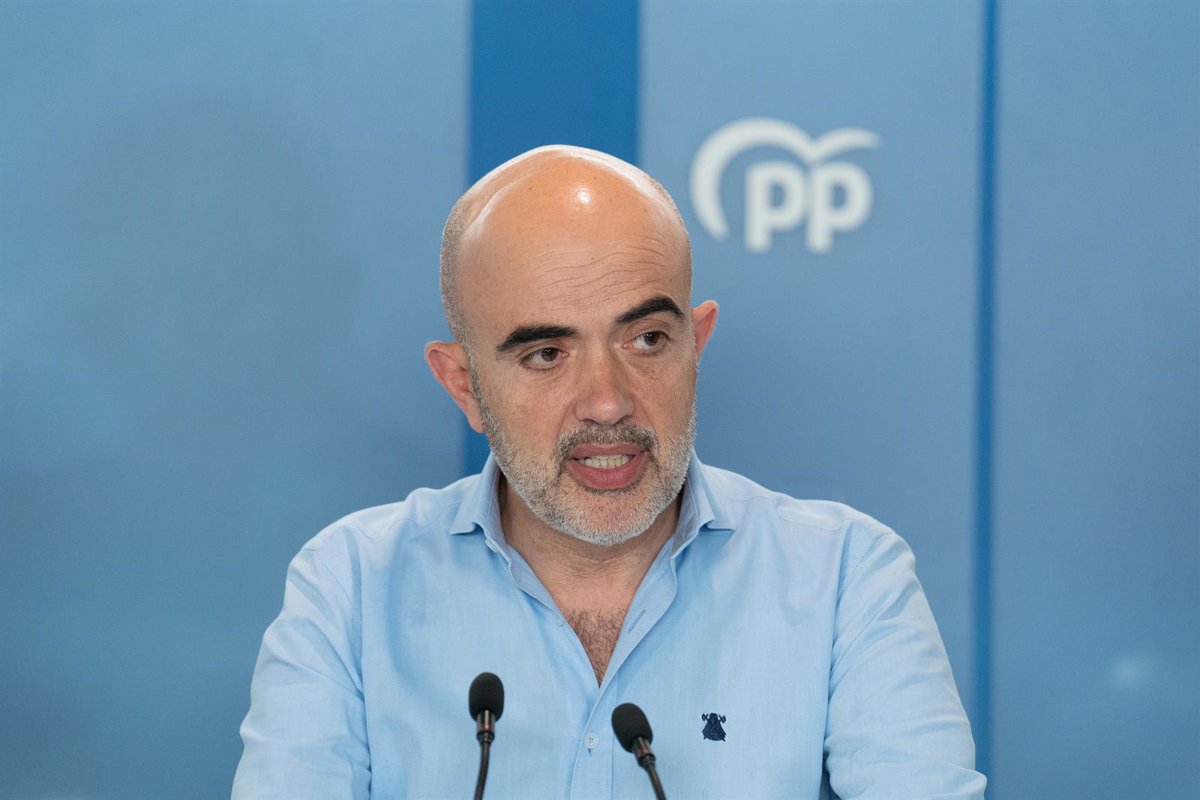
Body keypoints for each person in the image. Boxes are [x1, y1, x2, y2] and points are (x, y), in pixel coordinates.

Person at [232, 146, 987, 799]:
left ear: (697, 343)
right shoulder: (353, 589)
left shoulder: (845, 579)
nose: (606, 402)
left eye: (647, 339)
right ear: (464, 386)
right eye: (546, 354)